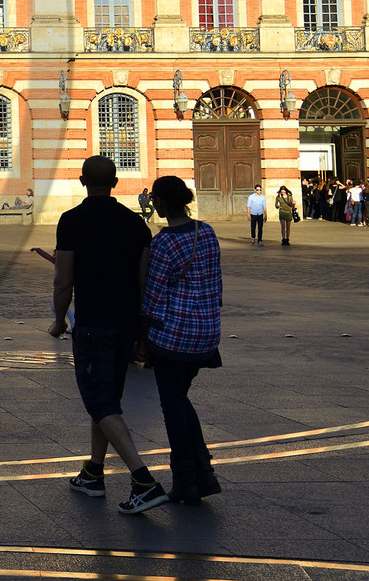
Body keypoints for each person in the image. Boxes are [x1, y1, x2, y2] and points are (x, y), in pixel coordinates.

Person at [49, 154, 166, 515]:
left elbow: (63, 279)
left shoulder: (72, 221)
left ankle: (143, 480)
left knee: (99, 403)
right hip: (127, 323)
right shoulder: (135, 224)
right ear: (116, 183)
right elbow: (145, 281)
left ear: (83, 181)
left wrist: (58, 320)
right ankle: (93, 473)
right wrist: (143, 328)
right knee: (107, 400)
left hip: (94, 324)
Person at [141, 174, 224, 505]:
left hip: (175, 336)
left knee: (172, 404)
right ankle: (203, 473)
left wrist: (141, 333)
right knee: (180, 399)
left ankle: (187, 479)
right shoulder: (206, 231)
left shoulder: (163, 242)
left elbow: (153, 295)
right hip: (207, 332)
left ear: (159, 203)